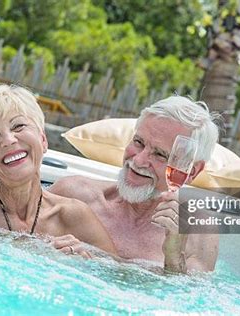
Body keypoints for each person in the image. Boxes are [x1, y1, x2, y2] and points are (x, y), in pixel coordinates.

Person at [0, 85, 116, 258]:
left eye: (18, 126)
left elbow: (120, 273)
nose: (8, 140)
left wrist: (85, 258)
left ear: (43, 140)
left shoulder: (72, 216)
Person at [49, 96, 220, 273]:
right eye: (138, 142)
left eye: (160, 155)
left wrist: (174, 258)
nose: (138, 160)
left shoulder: (198, 233)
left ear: (191, 171)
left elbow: (187, 296)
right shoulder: (73, 194)